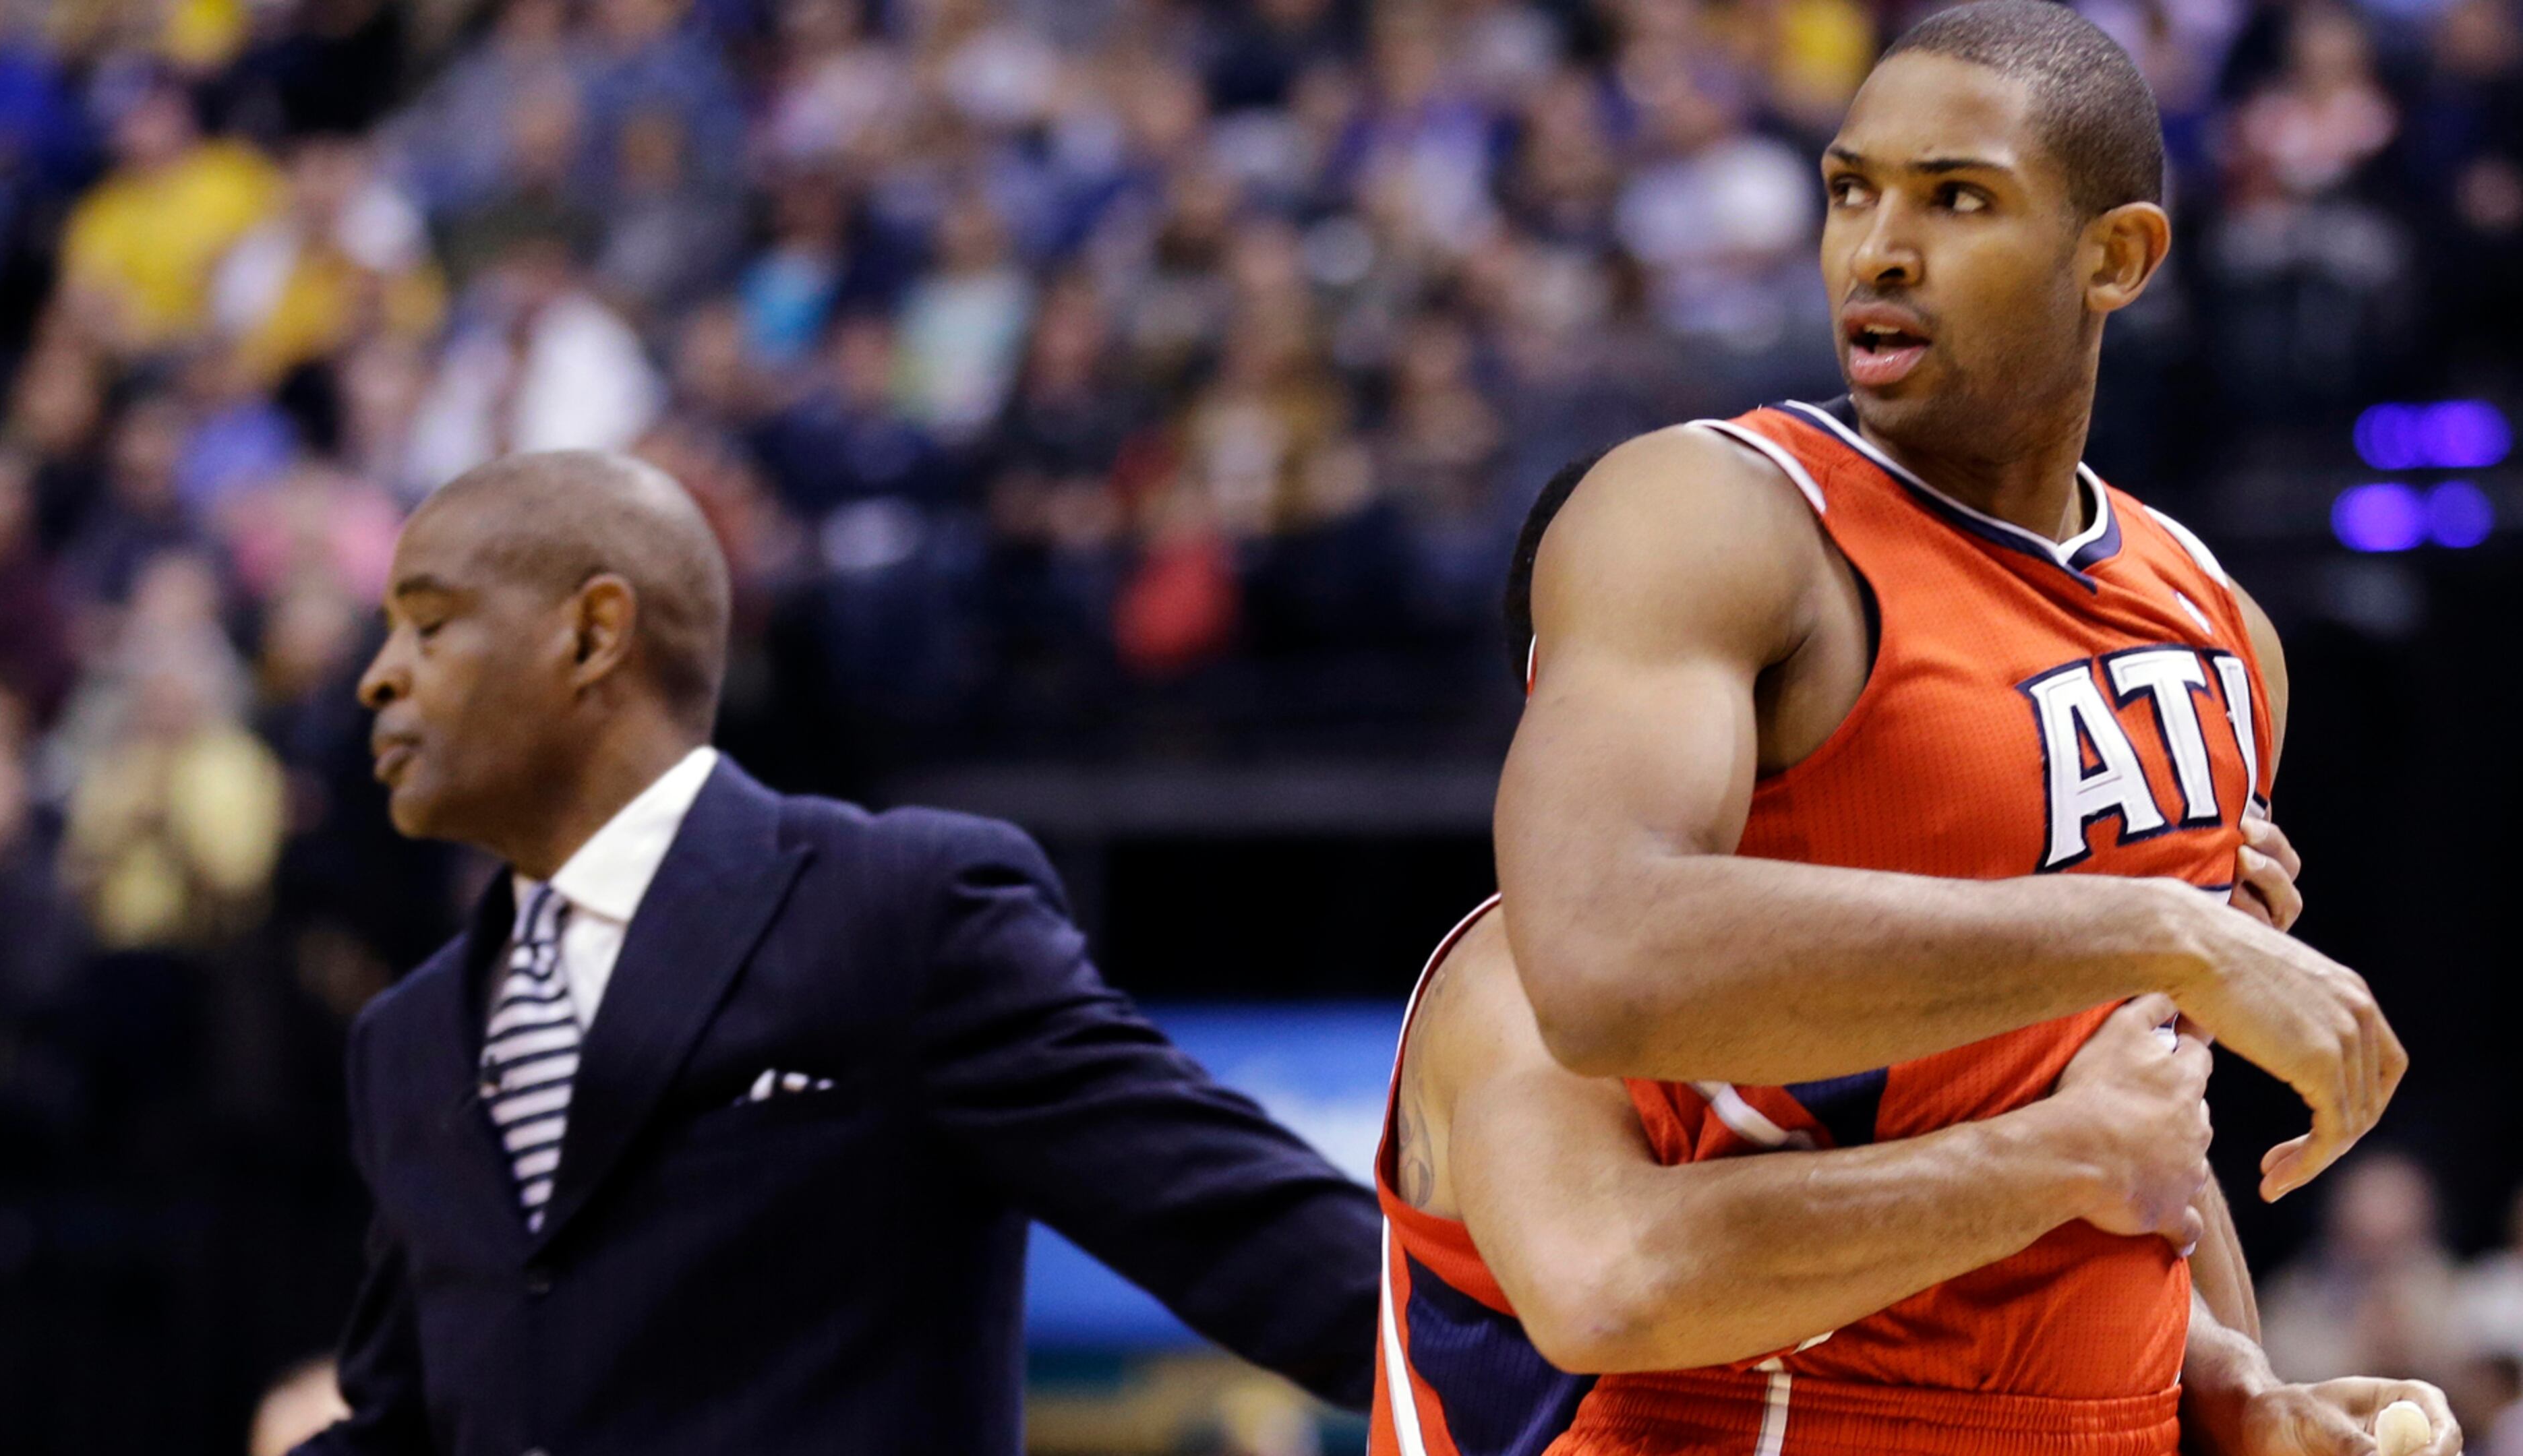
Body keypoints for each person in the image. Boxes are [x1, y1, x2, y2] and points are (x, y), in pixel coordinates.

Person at [1386, 4, 2421, 1453]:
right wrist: (2155, 935)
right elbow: (1605, 993)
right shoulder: (1722, 514)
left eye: (1956, 199)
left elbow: (2144, 1125)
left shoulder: (2213, 624)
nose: (1876, 248)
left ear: (2116, 258)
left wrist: (2232, 1387)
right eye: (1848, 190)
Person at [295, 449, 1377, 1456]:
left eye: (428, 626)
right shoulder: (406, 1039)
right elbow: (408, 1426)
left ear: (592, 635)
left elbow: (1236, 1222)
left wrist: (1481, 1374)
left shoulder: (895, 912)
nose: (377, 679)